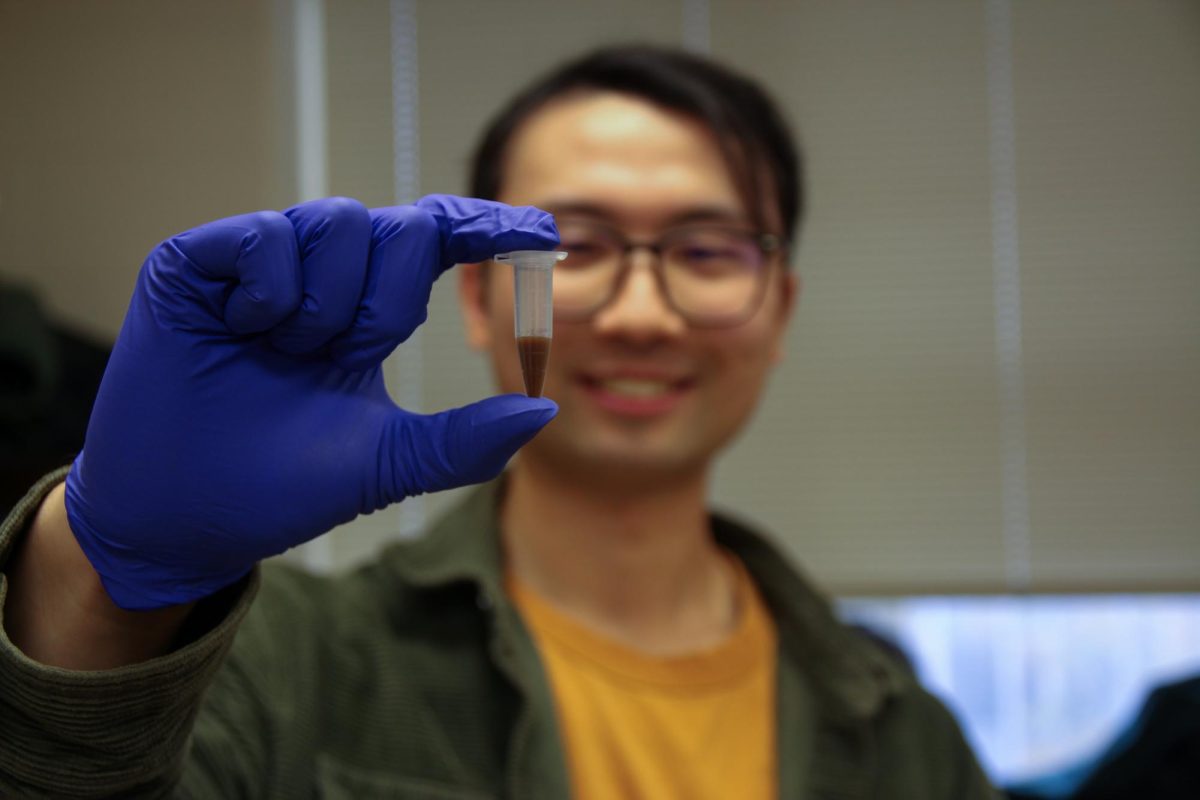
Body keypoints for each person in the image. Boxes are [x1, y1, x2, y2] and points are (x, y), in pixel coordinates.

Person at [0, 45, 996, 798]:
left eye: (707, 251)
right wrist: (94, 584)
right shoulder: (283, 664)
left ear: (779, 307)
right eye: (577, 246)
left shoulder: (907, 737)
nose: (642, 315)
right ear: (478, 294)